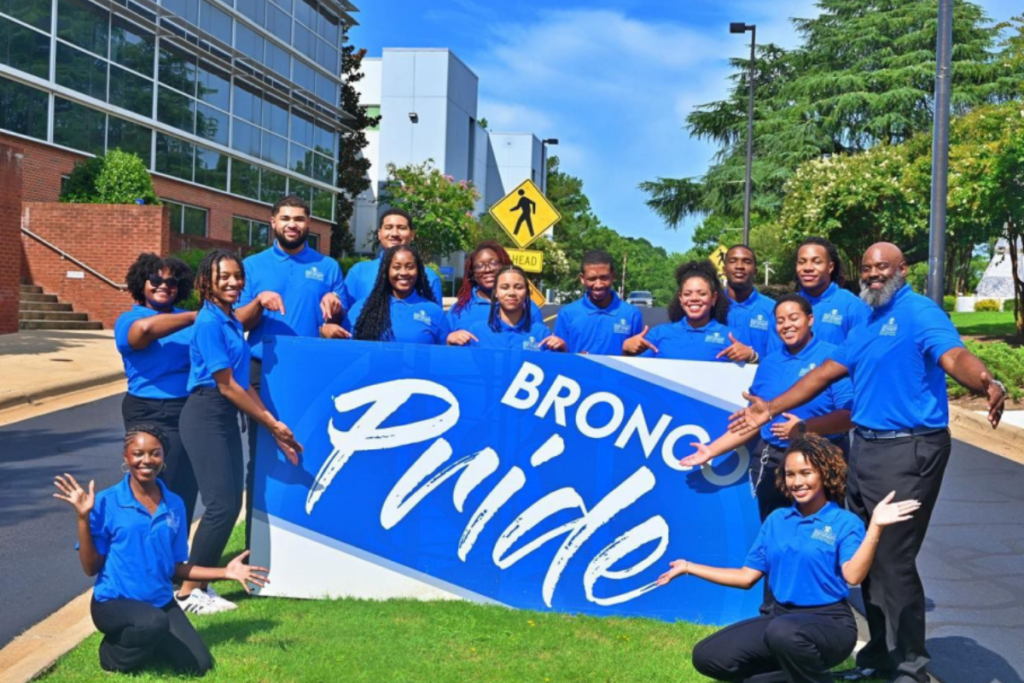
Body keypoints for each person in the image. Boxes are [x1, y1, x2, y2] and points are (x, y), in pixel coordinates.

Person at [730, 243, 1008, 683]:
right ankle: (881, 652)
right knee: (867, 552)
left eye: (882, 267)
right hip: (868, 448)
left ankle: (911, 666)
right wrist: (770, 408)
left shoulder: (919, 312)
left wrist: (985, 380)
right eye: (867, 268)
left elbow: (953, 355)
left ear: (901, 270)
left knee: (893, 558)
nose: (874, 274)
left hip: (910, 448)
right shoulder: (870, 320)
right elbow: (823, 373)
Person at [657, 435, 921, 683]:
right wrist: (689, 567)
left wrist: (875, 527)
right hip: (780, 618)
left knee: (783, 632)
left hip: (829, 623)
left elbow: (853, 576)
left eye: (806, 473)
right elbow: (746, 576)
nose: (797, 482)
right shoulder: (777, 520)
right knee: (707, 655)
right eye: (790, 474)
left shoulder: (844, 521)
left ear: (824, 474)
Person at [54, 425, 269, 675]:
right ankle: (112, 655)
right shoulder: (105, 502)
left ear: (163, 457)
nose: (147, 460)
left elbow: (175, 568)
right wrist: (83, 518)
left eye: (155, 453)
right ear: (126, 456)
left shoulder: (174, 504)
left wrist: (225, 572)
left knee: (198, 666)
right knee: (153, 624)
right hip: (114, 603)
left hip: (159, 601)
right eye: (138, 453)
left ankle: (150, 641)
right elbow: (90, 568)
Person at [178, 250, 302, 615]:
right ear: (206, 282)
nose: (234, 283)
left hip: (225, 415)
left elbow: (242, 388)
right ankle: (187, 593)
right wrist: (269, 422)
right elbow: (227, 384)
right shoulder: (208, 323)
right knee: (219, 506)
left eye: (238, 277)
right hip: (205, 414)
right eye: (225, 277)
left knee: (231, 504)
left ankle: (201, 585)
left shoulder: (231, 320)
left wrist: (272, 423)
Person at [680, 293, 854, 523]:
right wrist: (712, 450)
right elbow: (753, 420)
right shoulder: (769, 363)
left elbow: (849, 416)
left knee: (822, 539)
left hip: (823, 460)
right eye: (780, 321)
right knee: (775, 536)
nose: (787, 325)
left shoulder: (832, 359)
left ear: (810, 319)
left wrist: (804, 428)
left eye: (793, 318)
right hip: (774, 462)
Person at [235, 194, 344, 550]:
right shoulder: (252, 266)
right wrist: (258, 301)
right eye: (285, 218)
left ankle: (310, 542)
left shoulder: (327, 267)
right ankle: (258, 543)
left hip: (309, 371)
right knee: (263, 456)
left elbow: (335, 323)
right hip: (261, 369)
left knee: (311, 448)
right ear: (272, 222)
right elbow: (239, 322)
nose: (292, 224)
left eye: (299, 218)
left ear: (308, 224)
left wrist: (335, 307)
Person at [115, 254, 199, 527]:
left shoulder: (189, 320)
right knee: (151, 481)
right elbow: (145, 330)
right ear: (142, 283)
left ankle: (175, 553)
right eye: (155, 279)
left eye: (172, 281)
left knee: (184, 484)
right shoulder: (131, 318)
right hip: (146, 410)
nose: (164, 285)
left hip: (185, 409)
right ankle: (145, 547)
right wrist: (196, 316)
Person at [622, 260, 746, 362]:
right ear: (681, 298)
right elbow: (633, 374)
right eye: (687, 294)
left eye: (702, 293)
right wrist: (626, 350)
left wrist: (752, 357)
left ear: (713, 298)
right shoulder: (659, 334)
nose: (694, 298)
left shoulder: (732, 337)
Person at [344, 245, 449, 344]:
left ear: (419, 271)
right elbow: (345, 347)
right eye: (396, 267)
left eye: (410, 267)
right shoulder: (362, 308)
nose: (403, 272)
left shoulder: (434, 312)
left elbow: (445, 355)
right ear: (386, 272)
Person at [341, 209, 443, 309]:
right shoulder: (359, 272)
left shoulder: (429, 277)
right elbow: (343, 314)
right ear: (379, 234)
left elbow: (436, 320)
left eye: (401, 228)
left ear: (412, 235)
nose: (394, 234)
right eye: (388, 227)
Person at [448, 265, 566, 351]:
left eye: (518, 287)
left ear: (527, 292)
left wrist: (563, 349)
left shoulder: (541, 333)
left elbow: (557, 372)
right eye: (504, 287)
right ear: (496, 293)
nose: (511, 293)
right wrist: (449, 342)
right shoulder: (476, 331)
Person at [554, 249, 643, 355]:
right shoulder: (567, 314)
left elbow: (638, 361)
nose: (598, 285)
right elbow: (559, 358)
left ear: (613, 276)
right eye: (592, 279)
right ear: (582, 278)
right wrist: (576, 358)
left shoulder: (631, 314)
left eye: (604, 278)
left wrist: (628, 350)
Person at [447, 241, 543, 332]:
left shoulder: (528, 307)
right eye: (479, 266)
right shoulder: (459, 309)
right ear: (473, 273)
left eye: (493, 263)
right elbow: (442, 345)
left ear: (504, 265)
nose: (487, 270)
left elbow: (538, 341)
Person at [795, 237, 869, 345]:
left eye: (817, 262)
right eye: (802, 262)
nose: (808, 268)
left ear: (830, 267)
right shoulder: (786, 306)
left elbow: (863, 353)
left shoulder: (853, 306)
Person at [723, 244, 781, 360]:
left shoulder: (773, 309)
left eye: (747, 262)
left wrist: (753, 356)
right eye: (733, 261)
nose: (739, 266)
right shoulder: (709, 307)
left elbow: (778, 358)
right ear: (724, 270)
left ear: (755, 271)